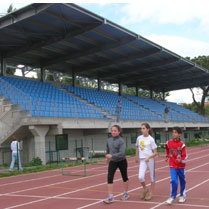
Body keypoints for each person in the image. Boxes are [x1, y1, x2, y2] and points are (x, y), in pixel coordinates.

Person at [103, 125, 129, 204]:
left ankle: (126, 193)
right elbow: (107, 151)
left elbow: (122, 153)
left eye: (115, 130)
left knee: (124, 177)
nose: (113, 132)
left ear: (119, 132)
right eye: (112, 130)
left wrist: (112, 156)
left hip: (122, 161)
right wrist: (107, 159)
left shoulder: (121, 141)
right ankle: (111, 196)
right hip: (113, 161)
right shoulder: (109, 140)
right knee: (109, 177)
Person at [165, 127, 187, 205]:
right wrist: (167, 156)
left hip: (181, 166)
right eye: (173, 132)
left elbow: (185, 156)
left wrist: (180, 159)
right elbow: (167, 148)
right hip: (172, 165)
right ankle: (172, 196)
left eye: (175, 132)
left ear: (179, 134)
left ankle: (182, 195)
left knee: (182, 181)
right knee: (173, 180)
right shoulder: (168, 143)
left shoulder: (182, 145)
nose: (173, 134)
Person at [135, 123, 158, 201]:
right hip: (142, 159)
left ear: (148, 129)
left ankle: (151, 193)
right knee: (140, 176)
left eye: (144, 128)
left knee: (152, 176)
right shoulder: (139, 138)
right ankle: (145, 188)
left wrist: (149, 157)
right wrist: (136, 156)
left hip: (150, 159)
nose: (142, 130)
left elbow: (155, 153)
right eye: (141, 128)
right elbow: (137, 147)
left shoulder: (151, 139)